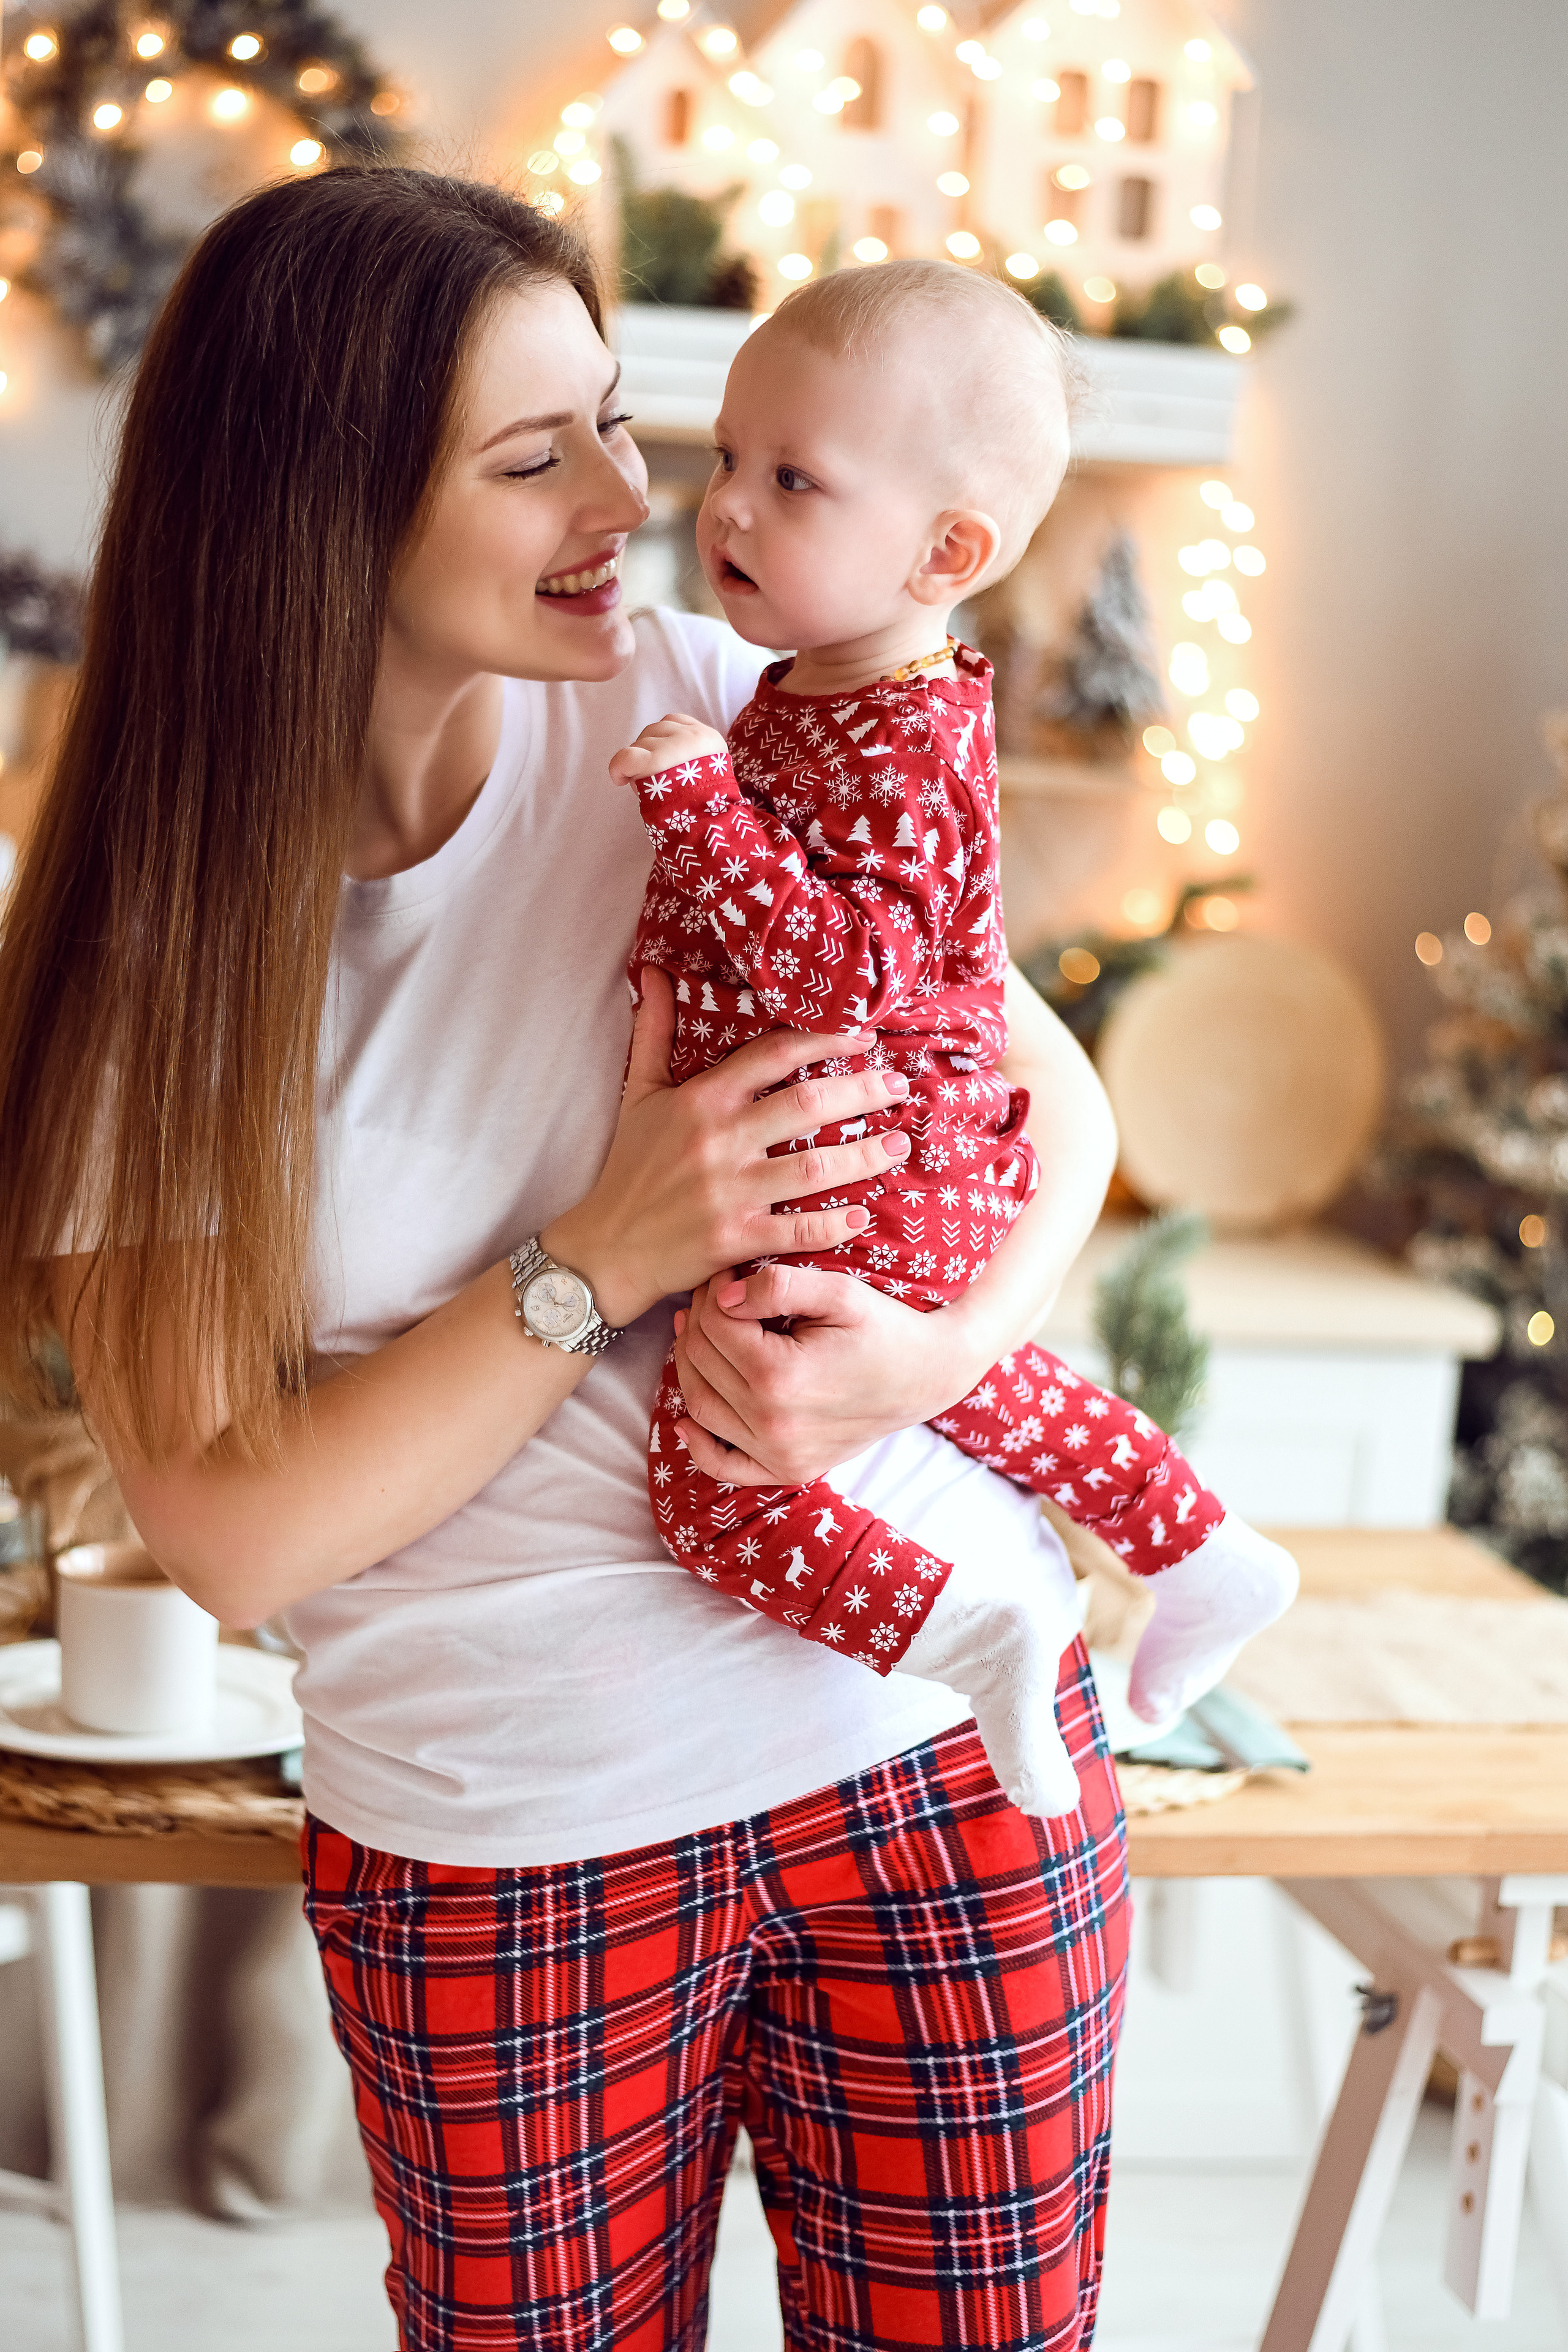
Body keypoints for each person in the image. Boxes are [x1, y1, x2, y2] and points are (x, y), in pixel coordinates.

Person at [1, 170, 1127, 2351]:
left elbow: (1046, 1094)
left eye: (617, 418)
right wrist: (598, 1253)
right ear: (322, 518)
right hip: (508, 1842)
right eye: (537, 457)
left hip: (936, 1753)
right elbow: (233, 1531)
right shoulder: (158, 961)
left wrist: (934, 1356)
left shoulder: (708, 699)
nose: (637, 496)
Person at [605, 262, 1296, 1814]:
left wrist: (699, 807)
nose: (727, 505)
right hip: (884, 1160)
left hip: (858, 1170)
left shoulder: (907, 737)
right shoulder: (826, 687)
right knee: (969, 1385)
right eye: (729, 457)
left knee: (717, 1492)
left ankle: (968, 1637)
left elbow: (847, 976)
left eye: (793, 479)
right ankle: (1198, 1549)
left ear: (947, 551)